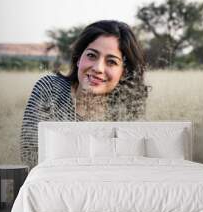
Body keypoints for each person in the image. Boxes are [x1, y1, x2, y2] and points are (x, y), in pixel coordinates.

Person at [20, 20, 149, 169]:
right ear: (78, 58)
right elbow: (29, 155)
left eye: (111, 62)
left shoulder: (126, 110)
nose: (98, 68)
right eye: (92, 56)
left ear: (123, 73)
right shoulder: (50, 89)